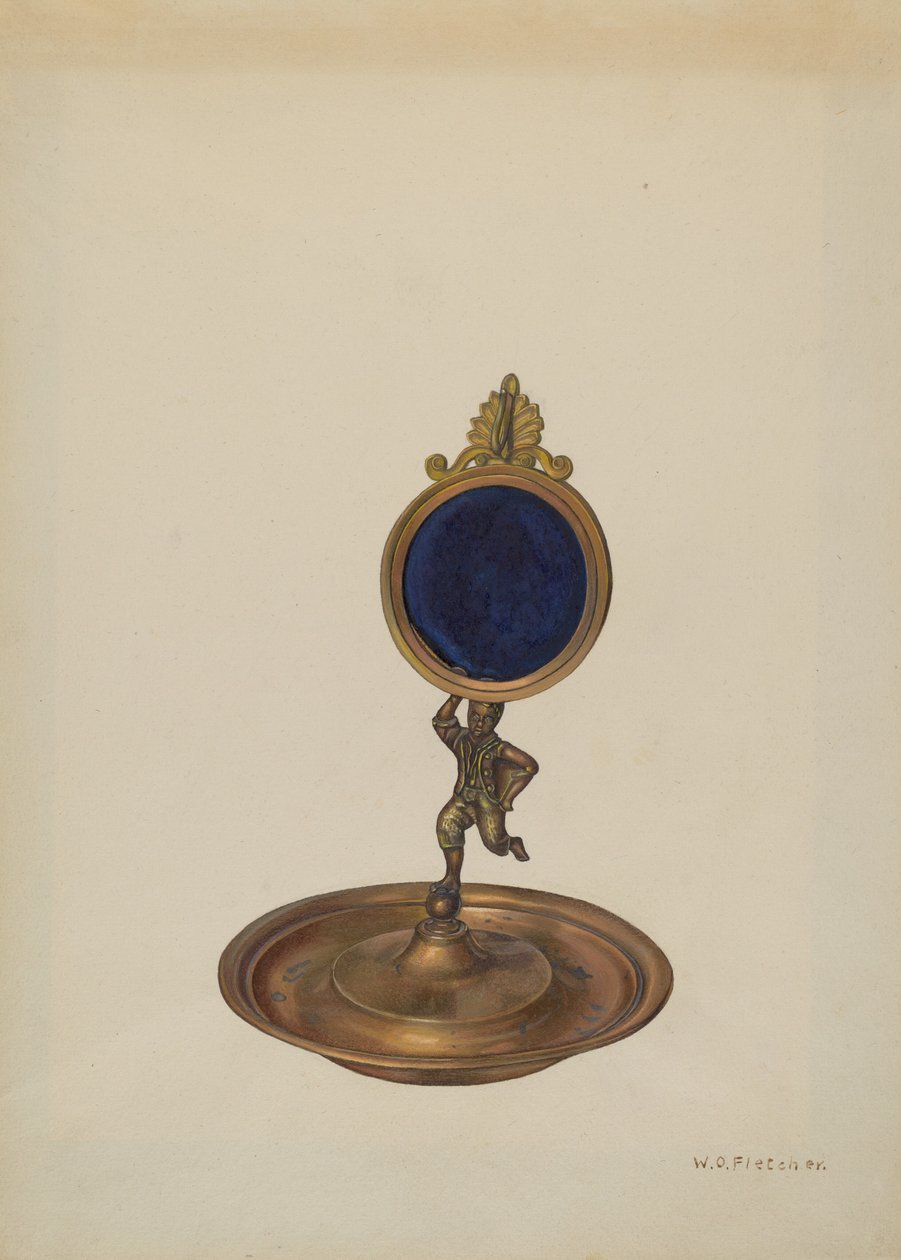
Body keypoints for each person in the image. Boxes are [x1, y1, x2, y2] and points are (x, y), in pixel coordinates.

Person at [431, 688, 539, 893]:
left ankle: (511, 843)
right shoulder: (460, 739)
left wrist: (507, 797)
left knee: (494, 844)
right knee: (446, 824)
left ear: (496, 721)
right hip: (462, 798)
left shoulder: (500, 748)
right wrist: (456, 696)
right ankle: (452, 878)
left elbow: (530, 766)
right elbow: (441, 722)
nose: (479, 724)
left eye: (487, 719)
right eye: (474, 716)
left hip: (487, 802)